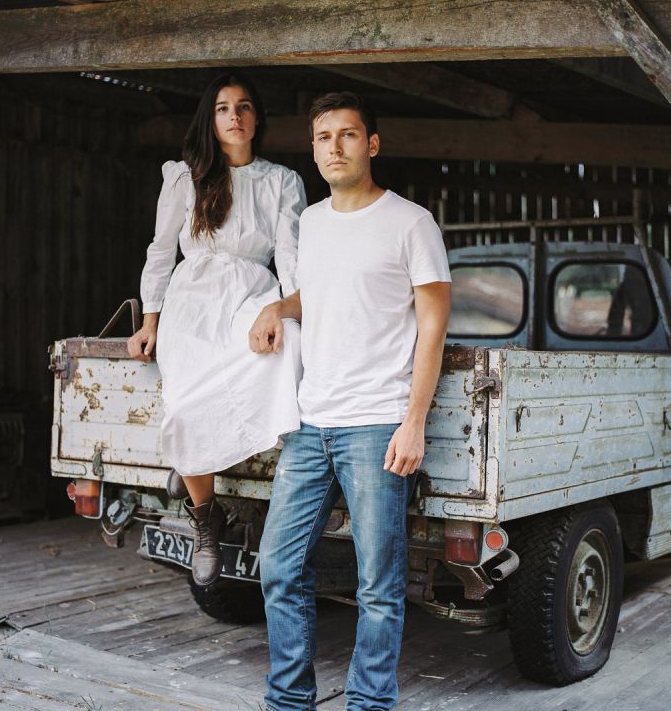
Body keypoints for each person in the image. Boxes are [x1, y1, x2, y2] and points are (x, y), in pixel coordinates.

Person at [249, 92, 451, 711]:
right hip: (311, 423)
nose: (334, 146)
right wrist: (278, 306)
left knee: (378, 584)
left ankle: (369, 703)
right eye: (322, 137)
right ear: (313, 149)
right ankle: (290, 699)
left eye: (347, 134)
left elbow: (433, 325)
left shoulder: (411, 223)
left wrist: (413, 421)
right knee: (278, 567)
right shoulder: (310, 223)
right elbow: (318, 295)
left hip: (376, 424)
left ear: (372, 144)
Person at [127, 72, 306, 586]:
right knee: (184, 403)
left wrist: (291, 306)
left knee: (286, 347)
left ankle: (190, 459)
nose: (235, 116)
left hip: (252, 292)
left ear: (256, 118)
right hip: (193, 300)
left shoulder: (281, 181)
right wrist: (150, 320)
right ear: (211, 120)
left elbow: (290, 254)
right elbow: (161, 250)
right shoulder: (184, 177)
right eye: (224, 108)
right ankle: (207, 518)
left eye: (244, 106)